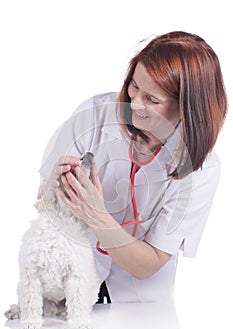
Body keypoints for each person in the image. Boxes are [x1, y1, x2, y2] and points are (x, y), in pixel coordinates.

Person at [38, 31, 227, 304]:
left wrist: (97, 216)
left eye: (152, 100)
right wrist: (51, 187)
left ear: (187, 108)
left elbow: (147, 265)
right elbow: (44, 203)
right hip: (69, 287)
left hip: (139, 305)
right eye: (134, 86)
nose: (134, 103)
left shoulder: (201, 169)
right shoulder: (94, 114)